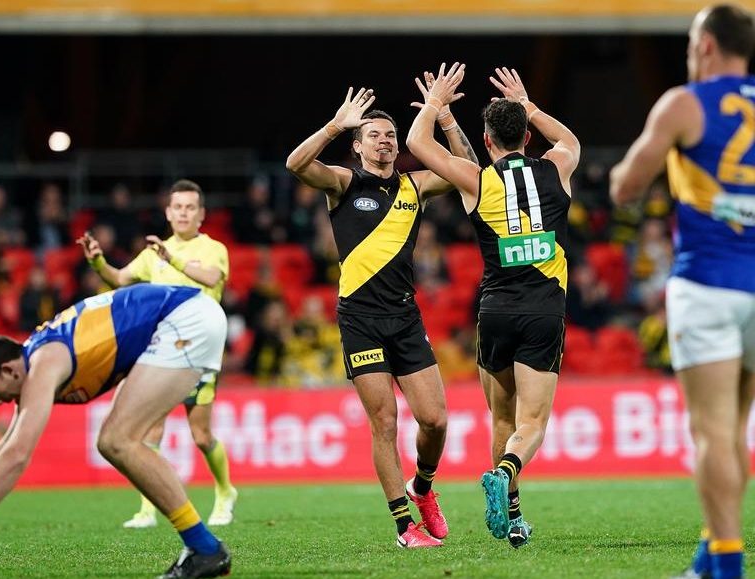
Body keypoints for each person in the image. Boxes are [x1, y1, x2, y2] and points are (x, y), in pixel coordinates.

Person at [285, 82, 478, 548]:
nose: (385, 141)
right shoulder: (344, 183)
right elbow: (296, 165)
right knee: (385, 422)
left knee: (435, 420)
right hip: (360, 320)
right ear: (357, 145)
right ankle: (403, 527)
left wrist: (444, 117)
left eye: (390, 135)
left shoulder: (416, 185)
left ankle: (423, 488)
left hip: (405, 318)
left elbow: (471, 171)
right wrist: (334, 125)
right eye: (373, 135)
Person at [406, 63, 580, 548]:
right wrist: (529, 105)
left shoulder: (476, 180)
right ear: (527, 135)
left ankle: (515, 515)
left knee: (501, 419)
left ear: (486, 140)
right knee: (531, 423)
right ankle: (505, 473)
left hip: (496, 312)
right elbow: (570, 140)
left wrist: (437, 106)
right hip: (543, 311)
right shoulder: (557, 167)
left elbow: (417, 144)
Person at [609, 5, 755, 578]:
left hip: (709, 283)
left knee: (712, 432)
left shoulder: (684, 104)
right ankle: (708, 555)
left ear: (708, 45)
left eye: (693, 43)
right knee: (735, 430)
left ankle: (726, 566)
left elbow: (625, 187)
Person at [0, 283, 231, 578]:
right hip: (180, 318)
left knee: (117, 440)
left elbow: (17, 455)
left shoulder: (43, 363)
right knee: (115, 441)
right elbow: (4, 448)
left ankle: (204, 548)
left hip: (184, 319)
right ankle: (202, 547)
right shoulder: (34, 362)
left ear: (9, 370)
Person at [76, 179, 238, 529]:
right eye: (177, 207)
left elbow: (211, 278)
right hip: (162, 351)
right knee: (150, 431)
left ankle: (226, 492)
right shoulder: (154, 253)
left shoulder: (213, 248)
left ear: (201, 214)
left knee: (201, 436)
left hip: (200, 351)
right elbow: (120, 279)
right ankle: (148, 509)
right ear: (168, 212)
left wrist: (172, 259)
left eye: (190, 207)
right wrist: (98, 262)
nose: (183, 213)